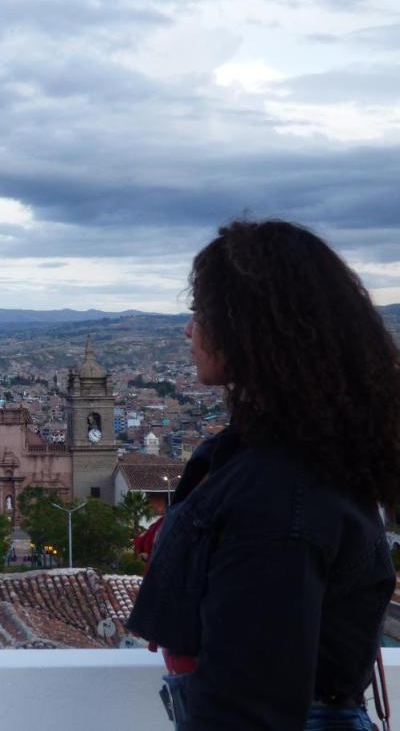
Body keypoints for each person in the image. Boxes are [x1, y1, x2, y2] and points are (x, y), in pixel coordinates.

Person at [127, 219, 400, 730]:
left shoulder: (279, 491)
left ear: (248, 328)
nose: (189, 330)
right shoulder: (297, 452)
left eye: (199, 313)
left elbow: (253, 704)